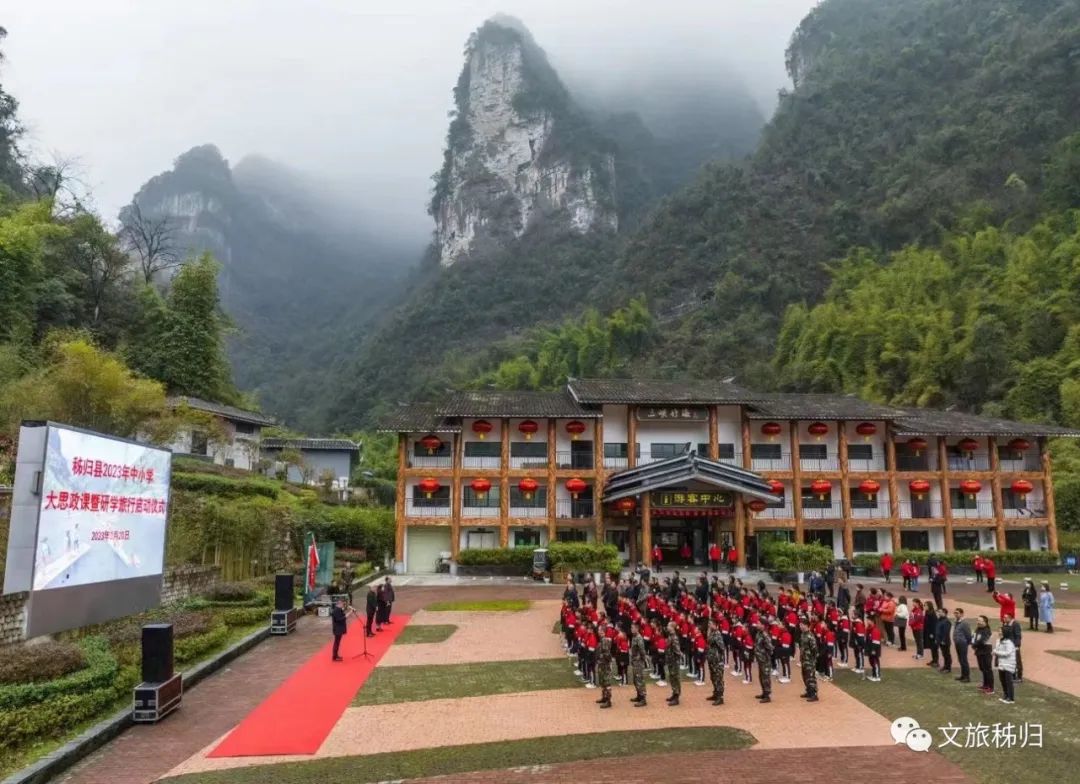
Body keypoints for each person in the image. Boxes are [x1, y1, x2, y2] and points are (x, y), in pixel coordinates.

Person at [994, 625, 1017, 704]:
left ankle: (1011, 698)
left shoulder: (1009, 643)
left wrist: (996, 652)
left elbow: (1007, 653)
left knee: (1008, 681)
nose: (999, 632)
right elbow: (997, 649)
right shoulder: (999, 641)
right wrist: (995, 651)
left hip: (1009, 664)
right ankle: (1006, 695)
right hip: (1002, 664)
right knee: (1002, 680)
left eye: (1001, 631)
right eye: (999, 631)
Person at [972, 614, 995, 694]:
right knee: (982, 669)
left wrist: (974, 645)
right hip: (979, 652)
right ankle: (985, 684)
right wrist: (973, 644)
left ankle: (991, 687)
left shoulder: (987, 630)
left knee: (988, 670)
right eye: (977, 620)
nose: (977, 622)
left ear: (985, 622)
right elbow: (974, 638)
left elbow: (982, 641)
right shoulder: (978, 629)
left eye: (979, 620)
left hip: (986, 652)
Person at [799, 619, 820, 702]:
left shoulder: (810, 636)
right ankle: (809, 691)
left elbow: (814, 649)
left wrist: (813, 659)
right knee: (805, 676)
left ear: (806, 625)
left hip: (809, 660)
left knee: (811, 677)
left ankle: (814, 694)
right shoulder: (803, 635)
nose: (800, 626)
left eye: (801, 624)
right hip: (804, 659)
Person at [706, 618, 726, 705]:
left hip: (717, 660)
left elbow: (722, 647)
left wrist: (718, 656)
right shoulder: (712, 633)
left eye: (710, 624)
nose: (709, 625)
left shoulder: (717, 634)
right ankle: (715, 694)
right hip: (712, 659)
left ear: (714, 624)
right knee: (713, 677)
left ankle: (720, 697)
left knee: (718, 678)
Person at [753, 622, 774, 703]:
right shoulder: (759, 633)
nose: (757, 625)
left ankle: (767, 695)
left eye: (759, 623)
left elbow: (770, 648)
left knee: (765, 677)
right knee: (761, 676)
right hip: (760, 659)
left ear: (763, 625)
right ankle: (764, 693)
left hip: (765, 660)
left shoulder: (765, 635)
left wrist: (765, 655)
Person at [331, 597, 357, 661]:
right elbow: (340, 619)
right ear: (339, 603)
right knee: (336, 642)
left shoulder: (338, 609)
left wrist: (348, 609)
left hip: (338, 628)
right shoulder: (336, 610)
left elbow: (342, 612)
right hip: (337, 629)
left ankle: (336, 655)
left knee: (337, 642)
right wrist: (349, 613)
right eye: (342, 603)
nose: (343, 605)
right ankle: (334, 656)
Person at [952, 608, 973, 683]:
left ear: (962, 614)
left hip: (963, 644)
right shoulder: (956, 622)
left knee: (964, 660)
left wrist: (967, 642)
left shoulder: (964, 623)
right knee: (960, 659)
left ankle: (967, 677)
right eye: (955, 613)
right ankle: (963, 675)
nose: (956, 614)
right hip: (958, 643)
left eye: (957, 613)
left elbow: (968, 634)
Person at [596, 626, 614, 709]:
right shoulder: (602, 640)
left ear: (602, 631)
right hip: (602, 664)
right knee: (603, 682)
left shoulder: (605, 640)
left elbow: (607, 654)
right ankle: (604, 697)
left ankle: (608, 701)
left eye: (599, 630)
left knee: (607, 683)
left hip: (605, 665)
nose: (598, 631)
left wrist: (606, 661)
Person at [665, 622, 682, 706]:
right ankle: (674, 693)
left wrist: (678, 659)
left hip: (674, 661)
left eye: (668, 625)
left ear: (672, 627)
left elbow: (677, 651)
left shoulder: (674, 638)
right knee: (672, 678)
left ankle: (676, 697)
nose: (667, 627)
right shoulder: (670, 636)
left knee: (675, 678)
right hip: (671, 661)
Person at [935, 608, 953, 673]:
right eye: (938, 612)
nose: (939, 613)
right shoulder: (939, 620)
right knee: (944, 654)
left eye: (940, 612)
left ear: (945, 613)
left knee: (947, 654)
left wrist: (943, 640)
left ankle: (948, 668)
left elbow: (946, 632)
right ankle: (945, 666)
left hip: (945, 641)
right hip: (940, 640)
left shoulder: (946, 621)